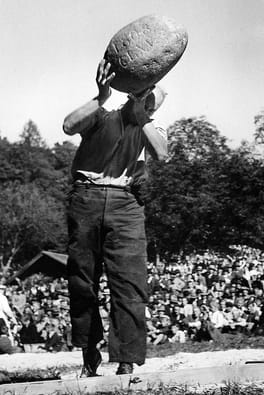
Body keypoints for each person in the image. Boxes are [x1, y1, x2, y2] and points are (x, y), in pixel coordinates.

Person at [63, 59, 167, 377]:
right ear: (129, 95)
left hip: (126, 204)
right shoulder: (103, 117)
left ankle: (126, 359)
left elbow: (162, 152)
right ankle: (88, 352)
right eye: (141, 96)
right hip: (87, 197)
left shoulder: (151, 128)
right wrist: (100, 95)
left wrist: (143, 118)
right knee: (83, 281)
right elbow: (68, 125)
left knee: (130, 284)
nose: (145, 103)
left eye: (150, 101)